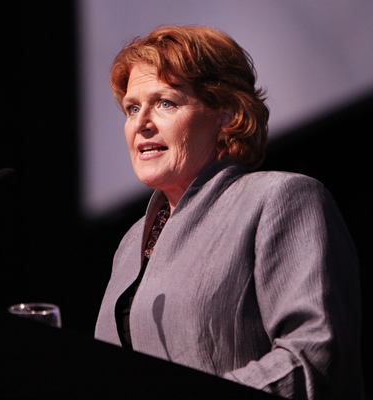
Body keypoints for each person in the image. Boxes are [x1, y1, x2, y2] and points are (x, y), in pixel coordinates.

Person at [94, 25, 363, 399]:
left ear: (225, 112)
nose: (141, 124)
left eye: (165, 103)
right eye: (132, 108)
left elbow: (312, 356)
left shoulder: (280, 199)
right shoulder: (129, 246)